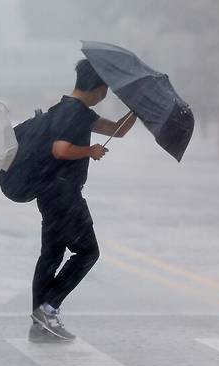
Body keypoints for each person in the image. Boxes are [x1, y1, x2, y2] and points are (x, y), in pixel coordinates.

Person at [30, 59, 138, 342]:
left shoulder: (73, 110)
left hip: (50, 191)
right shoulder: (72, 113)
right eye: (106, 89)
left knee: (51, 256)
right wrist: (89, 150)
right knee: (88, 253)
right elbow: (61, 149)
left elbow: (118, 129)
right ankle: (48, 307)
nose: (106, 94)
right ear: (99, 88)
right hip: (64, 194)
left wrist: (136, 109)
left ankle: (40, 321)